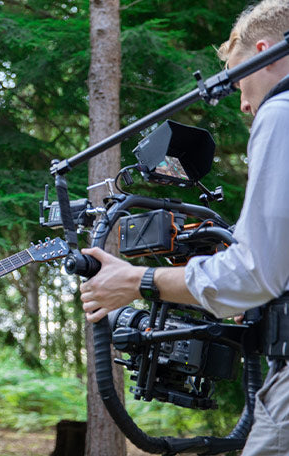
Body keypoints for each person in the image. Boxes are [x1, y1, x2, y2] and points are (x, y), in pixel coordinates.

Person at [78, 1, 289, 454]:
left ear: (266, 52)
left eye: (239, 82)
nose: (245, 104)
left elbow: (252, 272)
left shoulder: (281, 111)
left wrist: (137, 281)